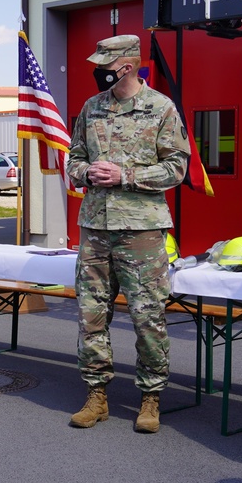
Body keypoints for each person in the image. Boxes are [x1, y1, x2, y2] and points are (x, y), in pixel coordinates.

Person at [65, 34, 190, 433]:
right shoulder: (92, 108)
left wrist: (127, 175)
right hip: (96, 227)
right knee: (91, 314)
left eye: (106, 63)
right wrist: (86, 172)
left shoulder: (160, 108)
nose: (98, 70)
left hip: (142, 229)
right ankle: (96, 395)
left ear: (129, 64)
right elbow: (73, 158)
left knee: (147, 315)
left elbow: (177, 169)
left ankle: (150, 399)